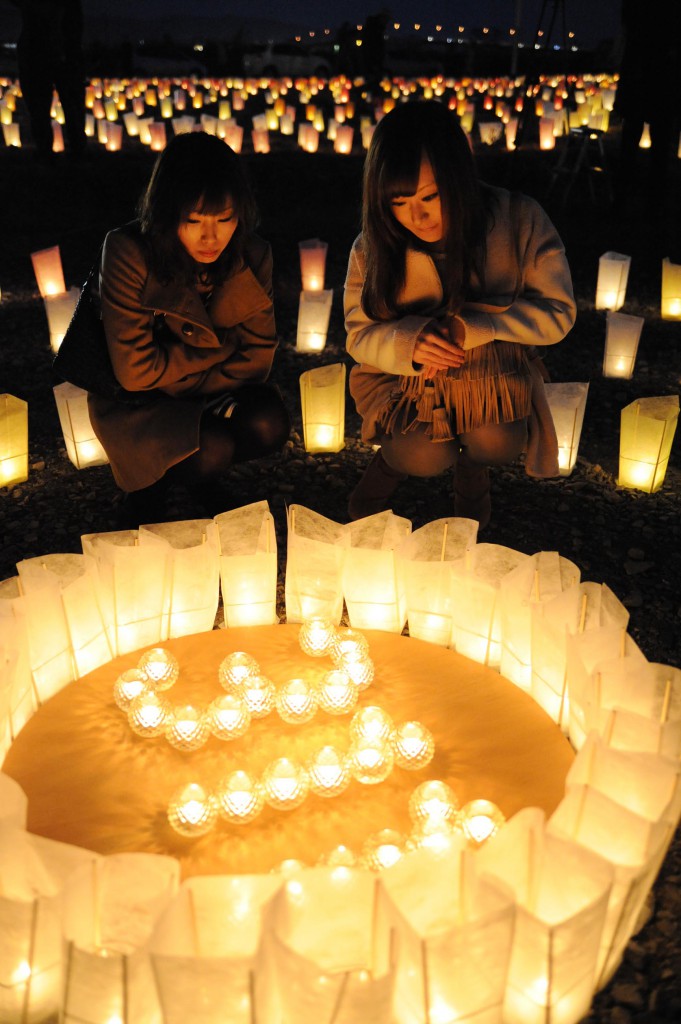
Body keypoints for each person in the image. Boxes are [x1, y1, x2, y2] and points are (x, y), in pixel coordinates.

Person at [344, 100, 576, 528]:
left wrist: (481, 326)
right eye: (399, 202)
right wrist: (410, 342)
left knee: (496, 442)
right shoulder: (373, 246)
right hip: (406, 382)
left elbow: (558, 313)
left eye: (431, 196)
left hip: (496, 378)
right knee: (424, 453)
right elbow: (358, 334)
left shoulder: (517, 219)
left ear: (459, 176)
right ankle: (388, 469)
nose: (418, 216)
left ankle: (473, 471)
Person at [89, 130, 290, 524]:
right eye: (193, 220)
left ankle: (197, 473)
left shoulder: (252, 255)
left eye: (225, 219)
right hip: (138, 406)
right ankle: (149, 489)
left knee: (269, 422)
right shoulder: (129, 252)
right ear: (167, 214)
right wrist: (216, 351)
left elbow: (257, 362)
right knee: (210, 446)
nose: (210, 237)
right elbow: (133, 374)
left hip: (199, 394)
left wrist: (177, 369)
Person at [9, 0, 86, 159]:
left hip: (56, 50)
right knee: (43, 104)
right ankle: (53, 149)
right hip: (41, 51)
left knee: (68, 102)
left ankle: (73, 148)